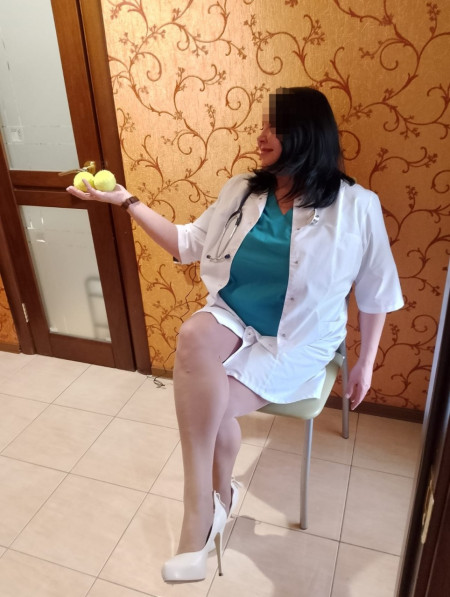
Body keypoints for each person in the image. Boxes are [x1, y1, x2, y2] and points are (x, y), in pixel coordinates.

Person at [66, 86, 403, 583]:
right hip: (233, 318)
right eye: (262, 125)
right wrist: (126, 200)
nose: (261, 136)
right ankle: (203, 505)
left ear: (306, 134)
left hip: (298, 339)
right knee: (192, 335)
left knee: (211, 406)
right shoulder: (243, 190)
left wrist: (366, 363)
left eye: (274, 127)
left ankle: (212, 503)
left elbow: (377, 294)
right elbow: (186, 244)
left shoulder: (357, 207)